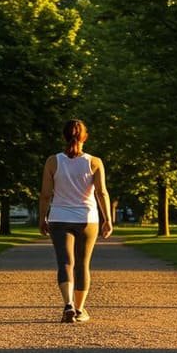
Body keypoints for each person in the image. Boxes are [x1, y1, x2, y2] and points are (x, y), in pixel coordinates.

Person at [39, 119, 113, 323]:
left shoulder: (53, 161)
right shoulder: (94, 162)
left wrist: (42, 218)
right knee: (82, 264)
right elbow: (101, 192)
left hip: (59, 218)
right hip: (87, 219)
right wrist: (108, 219)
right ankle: (79, 309)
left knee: (64, 263)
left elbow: (46, 194)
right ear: (85, 137)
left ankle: (68, 304)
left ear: (64, 136)